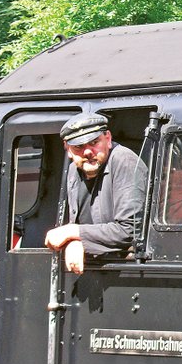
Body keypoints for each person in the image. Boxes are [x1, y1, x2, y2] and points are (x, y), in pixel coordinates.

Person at [45, 112, 147, 274]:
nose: (87, 152)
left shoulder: (124, 161)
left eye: (94, 142)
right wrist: (74, 243)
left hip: (124, 271)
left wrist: (72, 233)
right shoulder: (74, 170)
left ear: (107, 138)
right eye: (78, 146)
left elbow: (129, 231)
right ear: (68, 148)